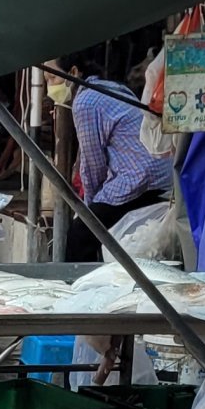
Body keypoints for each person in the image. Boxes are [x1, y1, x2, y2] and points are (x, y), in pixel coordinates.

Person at [68, 58, 169, 261]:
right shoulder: (110, 88)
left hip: (140, 180)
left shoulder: (85, 102)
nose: (49, 87)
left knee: (79, 235)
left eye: (52, 78)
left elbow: (93, 165)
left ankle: (77, 281)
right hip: (162, 174)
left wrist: (88, 207)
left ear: (73, 72)